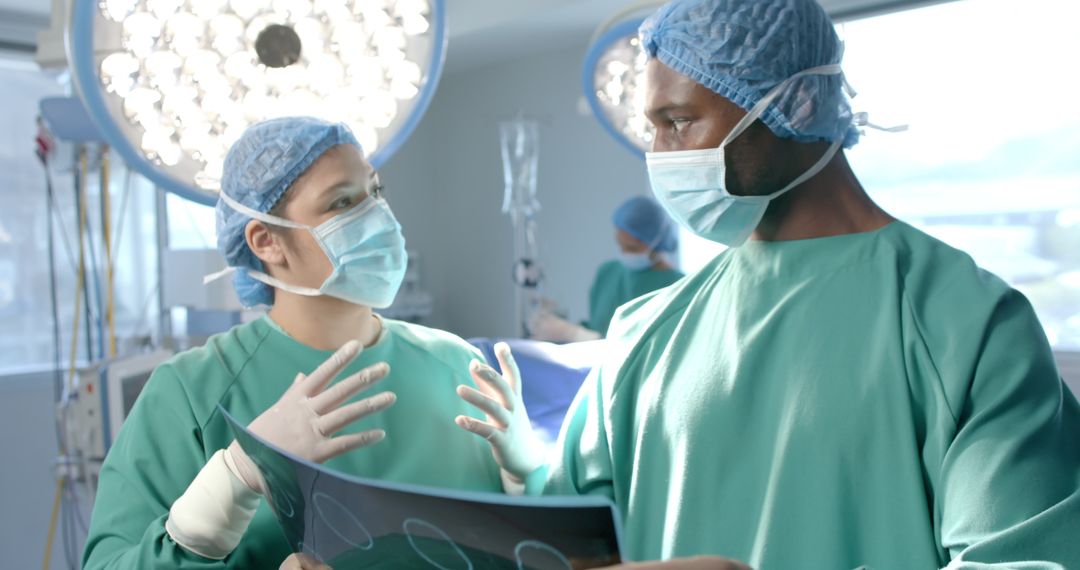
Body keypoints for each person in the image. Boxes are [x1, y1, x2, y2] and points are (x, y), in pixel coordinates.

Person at [457, 0, 1080, 568]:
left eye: (679, 122)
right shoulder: (642, 334)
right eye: (652, 129)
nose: (661, 156)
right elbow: (566, 550)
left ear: (797, 104)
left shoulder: (967, 324)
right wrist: (526, 476)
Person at [82, 117, 506, 569]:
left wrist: (534, 481)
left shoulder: (456, 364)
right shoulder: (190, 394)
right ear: (267, 241)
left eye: (375, 191)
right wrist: (237, 477)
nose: (377, 215)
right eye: (342, 202)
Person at [529, 196, 684, 342]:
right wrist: (559, 328)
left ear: (656, 243)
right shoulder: (608, 272)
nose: (624, 253)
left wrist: (575, 334)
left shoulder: (677, 286)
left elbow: (652, 348)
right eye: (620, 245)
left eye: (632, 248)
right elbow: (598, 328)